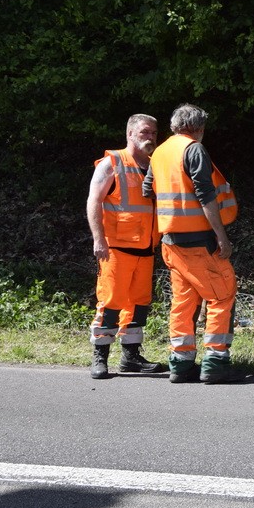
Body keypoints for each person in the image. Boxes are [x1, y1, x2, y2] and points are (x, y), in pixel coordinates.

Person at [143, 103, 242, 384]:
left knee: (184, 302)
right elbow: (205, 195)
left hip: (171, 242)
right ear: (198, 128)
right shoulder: (193, 149)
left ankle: (181, 364)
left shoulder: (160, 151)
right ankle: (215, 362)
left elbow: (147, 189)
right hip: (198, 240)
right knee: (222, 295)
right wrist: (221, 236)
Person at [86, 114, 167, 379]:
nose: (151, 137)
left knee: (139, 304)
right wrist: (98, 239)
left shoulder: (156, 165)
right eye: (145, 132)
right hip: (116, 249)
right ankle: (100, 356)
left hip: (146, 248)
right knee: (110, 303)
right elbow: (93, 201)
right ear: (130, 134)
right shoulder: (113, 162)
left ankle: (131, 358)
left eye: (154, 133)